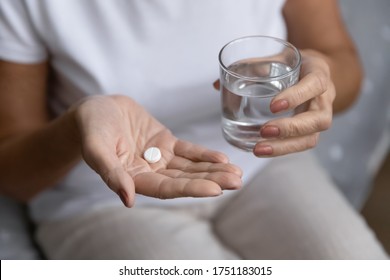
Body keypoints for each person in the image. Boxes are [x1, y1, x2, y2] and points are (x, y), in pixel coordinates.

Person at [0, 0, 387, 259]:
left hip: (261, 162)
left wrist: (318, 74)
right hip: (105, 197)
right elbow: (13, 172)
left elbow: (342, 62)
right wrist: (77, 125)